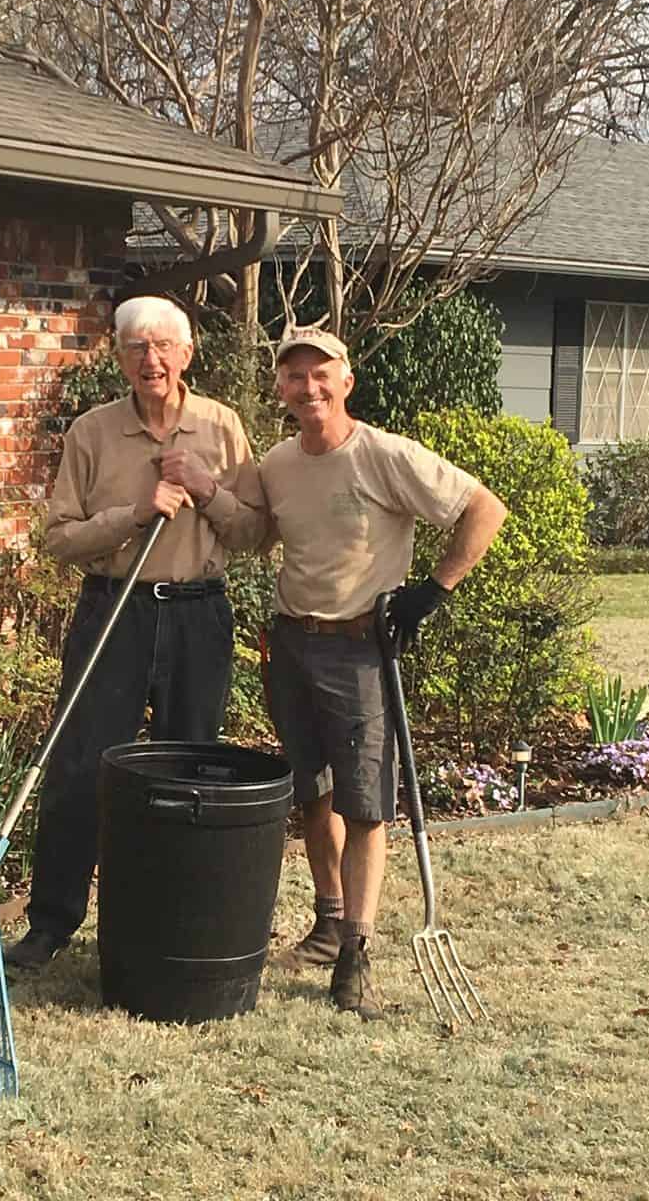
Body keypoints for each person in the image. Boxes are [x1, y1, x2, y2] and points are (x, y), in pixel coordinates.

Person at [5, 296, 267, 970]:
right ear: (120, 357)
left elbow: (254, 533)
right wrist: (134, 514)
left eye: (163, 346)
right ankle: (52, 922)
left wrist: (207, 490)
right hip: (113, 610)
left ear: (187, 354)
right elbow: (60, 539)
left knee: (192, 771)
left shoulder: (222, 426)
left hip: (197, 614)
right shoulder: (92, 433)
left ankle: (173, 919)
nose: (151, 359)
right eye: (136, 347)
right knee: (80, 766)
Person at [260, 325, 507, 1019]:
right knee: (311, 793)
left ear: (346, 381)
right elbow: (253, 529)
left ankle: (356, 952)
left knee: (364, 804)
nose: (308, 387)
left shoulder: (384, 455)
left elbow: (484, 509)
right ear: (280, 387)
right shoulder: (277, 464)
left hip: (360, 651)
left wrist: (434, 590)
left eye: (321, 374)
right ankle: (328, 921)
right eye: (294, 375)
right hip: (291, 643)